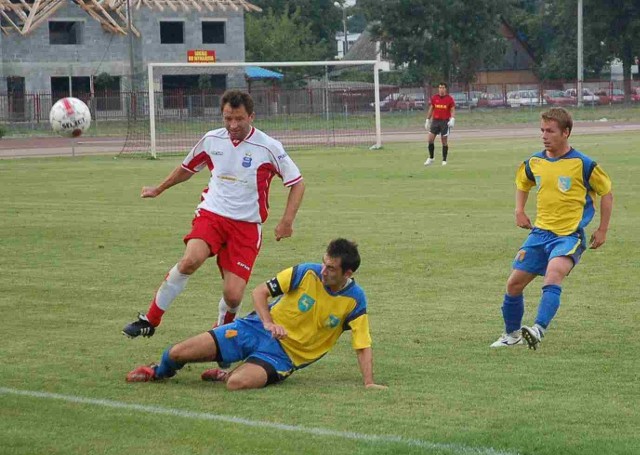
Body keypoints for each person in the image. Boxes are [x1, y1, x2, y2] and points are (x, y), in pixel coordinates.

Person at [122, 90, 305, 340]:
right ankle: (150, 320)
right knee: (190, 260)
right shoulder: (211, 140)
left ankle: (220, 338)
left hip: (246, 227)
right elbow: (187, 168)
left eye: (239, 119)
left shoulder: (268, 147)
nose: (233, 125)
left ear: (251, 116)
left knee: (233, 295)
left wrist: (287, 221)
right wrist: (159, 188)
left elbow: (297, 183)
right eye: (228, 118)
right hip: (212, 214)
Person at [126, 239, 387, 391]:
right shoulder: (305, 272)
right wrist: (268, 323)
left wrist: (368, 382)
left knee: (236, 384)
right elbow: (260, 292)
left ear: (347, 273)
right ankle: (158, 372)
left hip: (283, 356)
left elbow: (362, 344)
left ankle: (226, 373)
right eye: (323, 263)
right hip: (253, 328)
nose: (323, 271)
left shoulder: (355, 300)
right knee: (177, 353)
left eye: (331, 268)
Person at [491, 107, 613, 350]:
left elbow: (606, 192)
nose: (544, 135)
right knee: (514, 284)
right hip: (539, 234)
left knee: (554, 273)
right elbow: (522, 182)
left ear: (566, 133)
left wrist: (602, 229)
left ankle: (538, 329)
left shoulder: (584, 164)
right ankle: (511, 334)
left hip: (569, 236)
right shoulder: (535, 162)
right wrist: (519, 210)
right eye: (542, 130)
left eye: (550, 131)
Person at [424, 82, 456, 166]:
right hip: (435, 121)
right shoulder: (435, 98)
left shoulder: (449, 99)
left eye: (443, 87)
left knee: (444, 141)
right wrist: (427, 119)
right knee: (430, 139)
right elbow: (431, 109)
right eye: (440, 87)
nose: (441, 89)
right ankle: (431, 158)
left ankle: (444, 159)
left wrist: (452, 119)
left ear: (445, 89)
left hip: (444, 122)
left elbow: (452, 110)